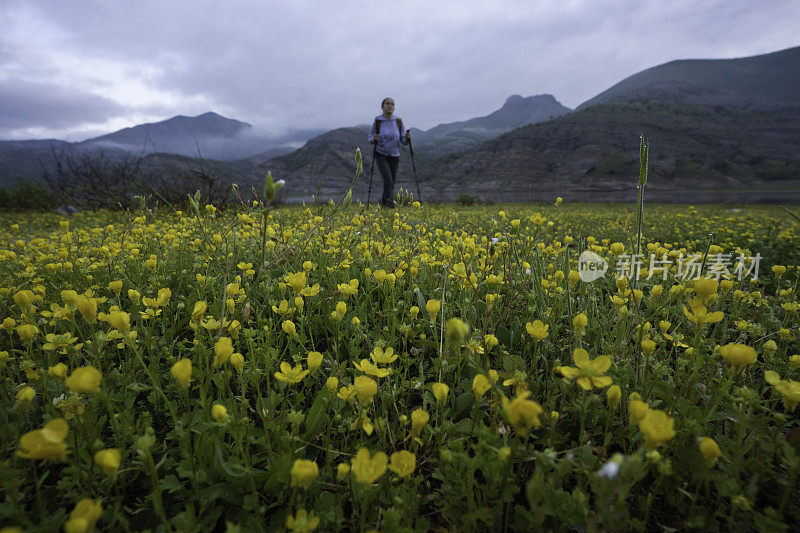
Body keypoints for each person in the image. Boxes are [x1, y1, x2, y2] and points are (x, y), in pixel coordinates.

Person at [368, 98, 411, 207]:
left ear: (394, 107)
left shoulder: (398, 121)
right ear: (382, 107)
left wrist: (407, 138)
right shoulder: (378, 121)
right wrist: (374, 138)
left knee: (390, 183)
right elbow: (370, 138)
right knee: (388, 181)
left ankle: (384, 204)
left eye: (392, 104)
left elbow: (403, 140)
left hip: (395, 156)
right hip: (381, 154)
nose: (390, 106)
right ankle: (391, 206)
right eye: (387, 104)